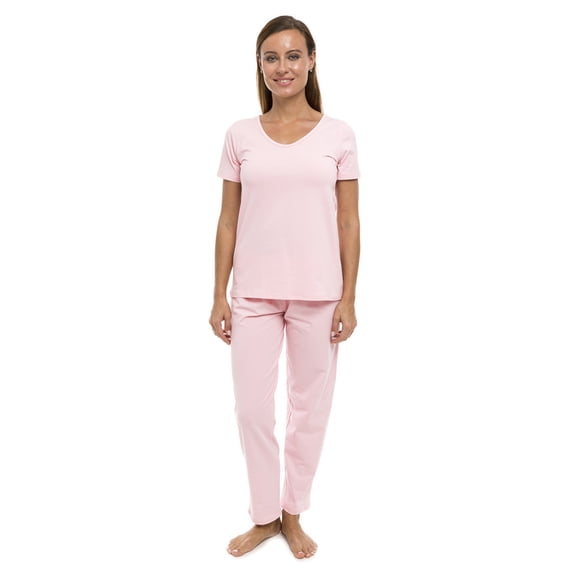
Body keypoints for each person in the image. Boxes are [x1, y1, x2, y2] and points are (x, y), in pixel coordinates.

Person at [209, 14, 360, 559]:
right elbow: (228, 220)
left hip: (319, 293)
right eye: (271, 57)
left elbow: (349, 221)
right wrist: (218, 294)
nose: (283, 67)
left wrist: (349, 297)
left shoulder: (338, 134)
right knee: (251, 409)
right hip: (253, 293)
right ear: (259, 65)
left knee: (308, 411)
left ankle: (292, 514)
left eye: (293, 56)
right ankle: (264, 515)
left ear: (312, 61)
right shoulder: (239, 135)